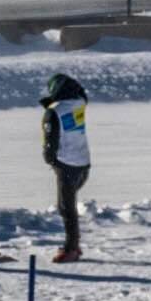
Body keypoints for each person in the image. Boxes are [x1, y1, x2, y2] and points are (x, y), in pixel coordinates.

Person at [40, 70, 93, 263]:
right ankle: (73, 244)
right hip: (83, 162)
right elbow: (82, 96)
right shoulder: (79, 104)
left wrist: (50, 159)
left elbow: (50, 141)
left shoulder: (53, 112)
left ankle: (72, 248)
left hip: (66, 163)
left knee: (66, 207)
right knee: (68, 204)